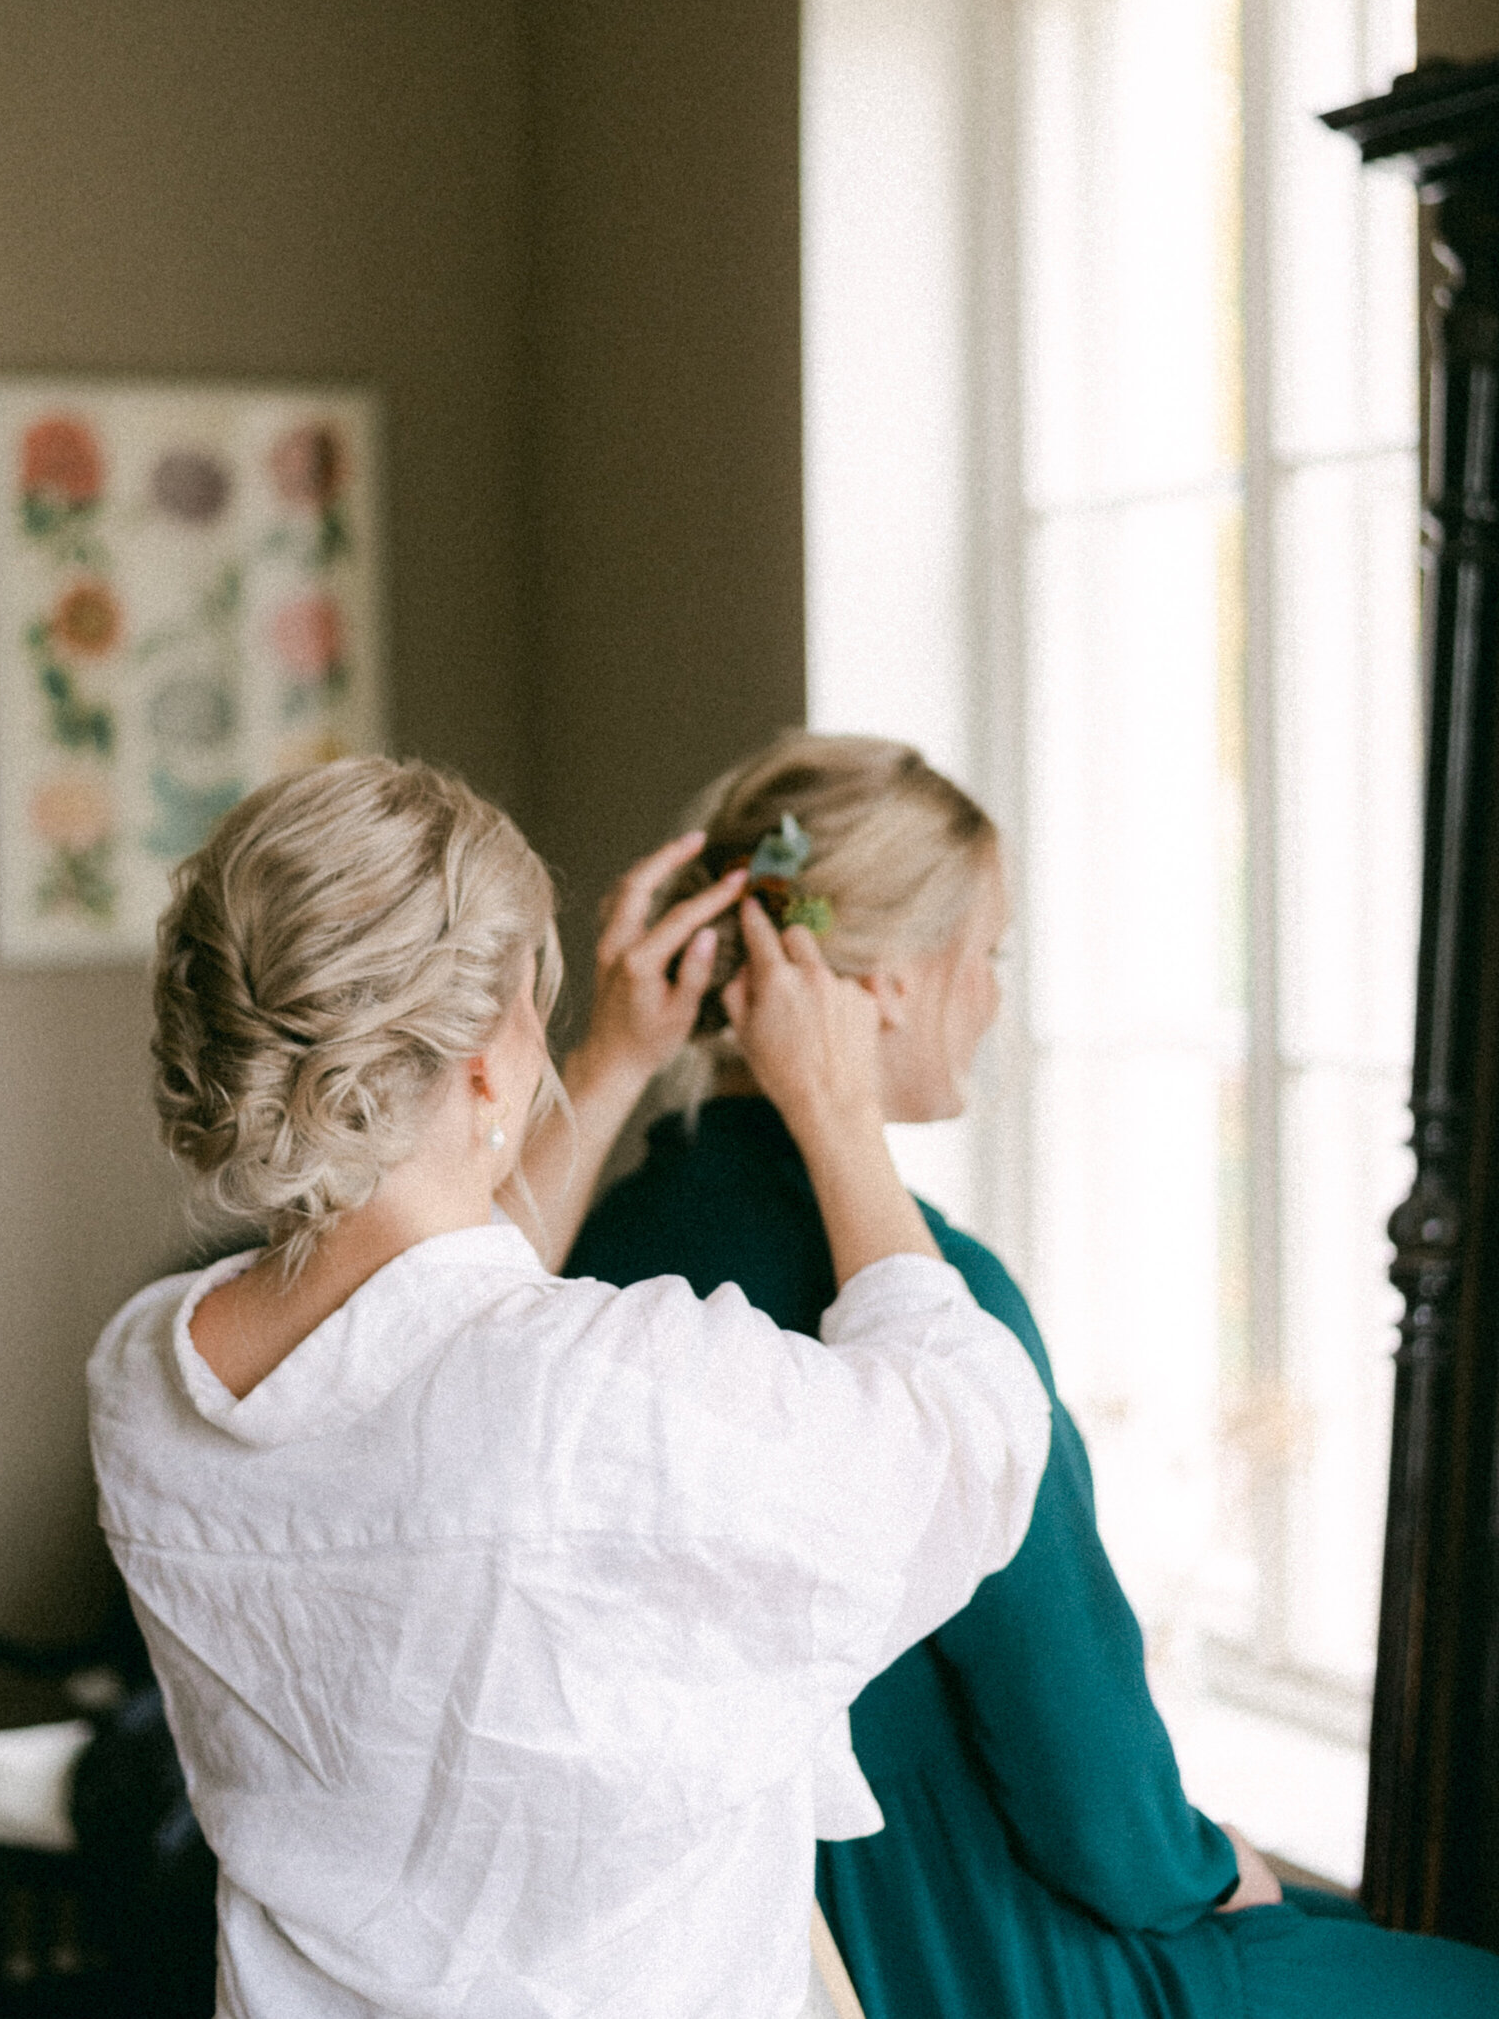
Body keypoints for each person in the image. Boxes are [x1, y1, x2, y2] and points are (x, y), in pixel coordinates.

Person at [86, 755, 1051, 2019]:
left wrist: (607, 1058)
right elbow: (973, 1444)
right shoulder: (609, 1396)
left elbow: (427, 1329)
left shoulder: (147, 1376)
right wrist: (836, 1110)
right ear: (489, 1059)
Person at [567, 731, 1499, 2019]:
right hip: (961, 1947)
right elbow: (1084, 1775)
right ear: (884, 984)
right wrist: (1209, 1867)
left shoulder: (601, 1250)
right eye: (988, 952)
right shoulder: (930, 1305)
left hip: (720, 1937)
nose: (996, 996)